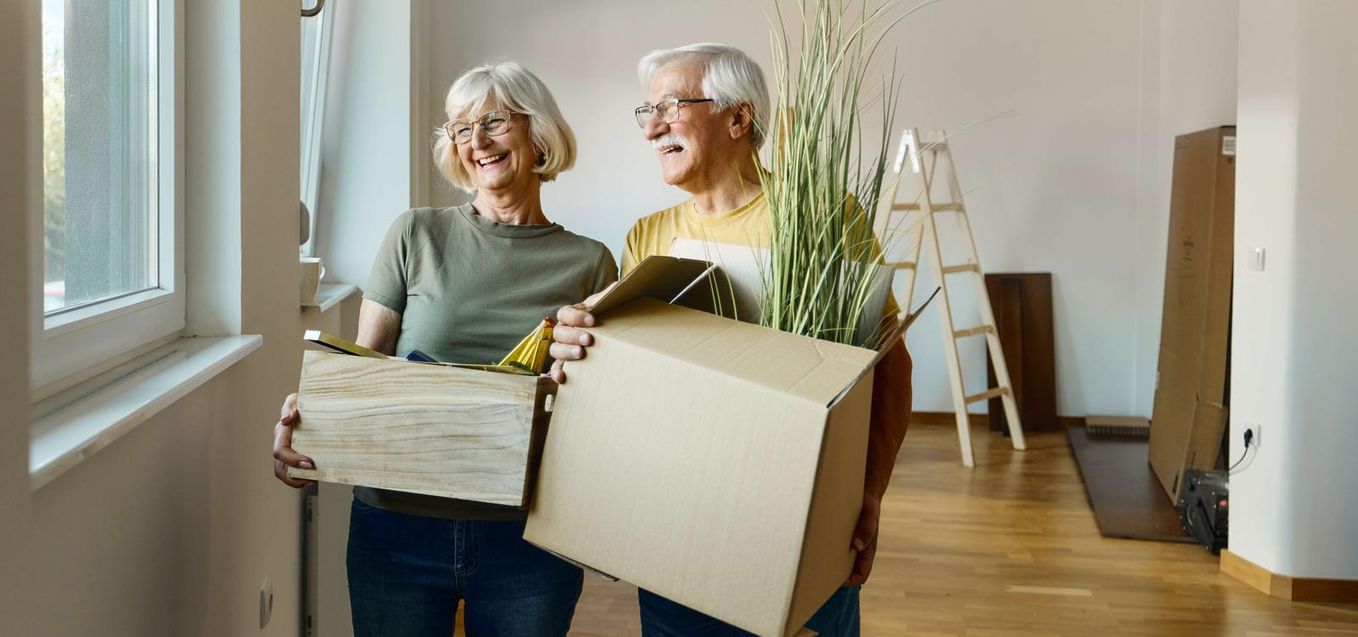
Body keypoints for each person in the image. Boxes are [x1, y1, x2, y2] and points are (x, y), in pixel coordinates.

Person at [548, 43, 912, 637]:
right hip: (678, 535)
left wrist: (868, 496)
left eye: (668, 106)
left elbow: (890, 369)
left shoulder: (819, 219)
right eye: (646, 112)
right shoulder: (649, 236)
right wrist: (578, 347)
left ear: (738, 118)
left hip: (800, 533)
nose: (652, 129)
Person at [272, 62, 618, 637]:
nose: (476, 141)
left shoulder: (591, 262)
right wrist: (312, 426)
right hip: (398, 526)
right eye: (460, 129)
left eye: (493, 121)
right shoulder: (416, 233)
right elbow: (364, 366)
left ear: (538, 133)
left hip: (528, 535)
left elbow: (591, 407)